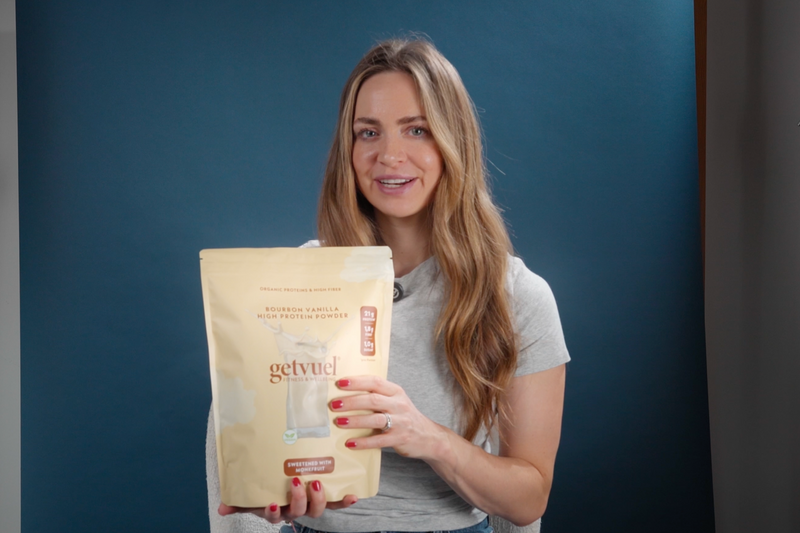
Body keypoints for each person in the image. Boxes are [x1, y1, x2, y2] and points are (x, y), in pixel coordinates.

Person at [208, 37, 570, 533]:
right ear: (349, 149)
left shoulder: (517, 296)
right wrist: (266, 497)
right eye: (368, 132)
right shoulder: (294, 283)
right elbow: (235, 434)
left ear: (454, 142)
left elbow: (529, 498)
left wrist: (430, 438)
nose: (389, 155)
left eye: (417, 130)